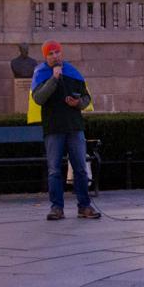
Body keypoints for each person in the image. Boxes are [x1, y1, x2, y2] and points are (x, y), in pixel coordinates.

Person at [31, 40, 100, 220]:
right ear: (45, 57)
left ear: (61, 53)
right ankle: (57, 208)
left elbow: (86, 97)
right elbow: (38, 98)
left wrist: (78, 103)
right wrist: (54, 79)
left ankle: (84, 206)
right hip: (53, 129)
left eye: (57, 53)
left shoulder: (73, 72)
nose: (55, 56)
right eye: (50, 54)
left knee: (80, 169)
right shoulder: (40, 73)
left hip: (74, 127)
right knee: (54, 170)